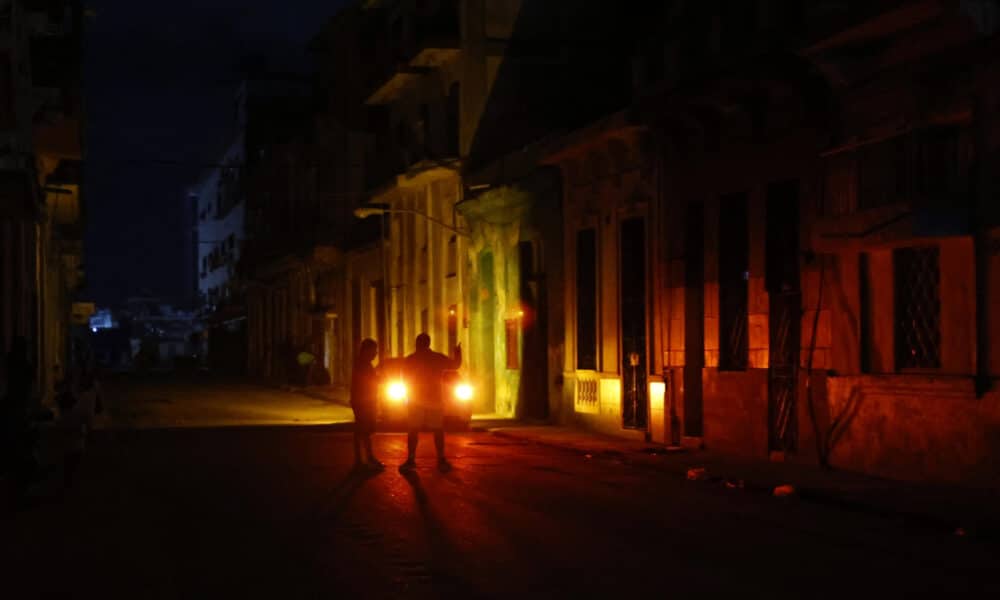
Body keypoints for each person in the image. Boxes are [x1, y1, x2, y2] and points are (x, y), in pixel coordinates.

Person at [399, 333, 461, 472]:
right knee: (438, 429)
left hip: (416, 400)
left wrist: (408, 395)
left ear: (417, 344)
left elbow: (404, 379)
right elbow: (456, 365)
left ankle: (411, 458)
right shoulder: (437, 358)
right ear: (428, 343)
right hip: (435, 399)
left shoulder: (410, 359)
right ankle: (440, 458)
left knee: (413, 430)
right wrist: (458, 353)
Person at [350, 338, 384, 470]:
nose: (375, 354)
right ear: (366, 350)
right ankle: (363, 459)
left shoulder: (364, 364)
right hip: (362, 401)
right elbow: (365, 382)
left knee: (364, 431)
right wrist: (377, 379)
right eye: (373, 351)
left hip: (365, 401)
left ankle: (364, 458)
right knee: (362, 430)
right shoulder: (362, 364)